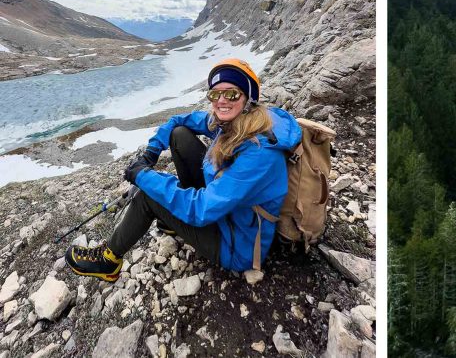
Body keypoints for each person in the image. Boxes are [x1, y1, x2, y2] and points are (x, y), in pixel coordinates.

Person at [65, 58, 301, 281]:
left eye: (231, 93)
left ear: (249, 99)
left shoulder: (259, 153)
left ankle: (108, 261)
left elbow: (203, 208)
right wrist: (151, 153)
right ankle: (173, 221)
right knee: (180, 136)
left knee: (150, 193)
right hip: (228, 211)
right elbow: (178, 121)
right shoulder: (233, 122)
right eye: (215, 94)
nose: (221, 100)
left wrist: (144, 176)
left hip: (238, 244)